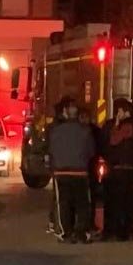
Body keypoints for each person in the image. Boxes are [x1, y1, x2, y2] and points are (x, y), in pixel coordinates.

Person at [47, 98, 97, 244]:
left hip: (61, 173)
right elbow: (91, 151)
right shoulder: (85, 131)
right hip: (80, 172)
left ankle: (65, 234)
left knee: (63, 204)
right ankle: (82, 233)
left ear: (64, 112)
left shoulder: (56, 131)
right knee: (82, 205)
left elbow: (51, 150)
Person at [101, 98, 133, 241]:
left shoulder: (128, 125)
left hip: (119, 168)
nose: (117, 113)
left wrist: (116, 124)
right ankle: (128, 231)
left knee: (115, 201)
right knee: (127, 202)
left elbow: (113, 140)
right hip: (129, 168)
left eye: (119, 111)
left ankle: (117, 231)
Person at [45, 97, 70, 235]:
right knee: (59, 197)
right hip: (61, 166)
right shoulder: (60, 127)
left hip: (58, 165)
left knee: (58, 195)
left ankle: (54, 222)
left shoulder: (53, 127)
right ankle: (56, 223)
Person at [79, 108, 103, 238]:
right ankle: (89, 224)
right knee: (90, 198)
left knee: (82, 198)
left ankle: (84, 225)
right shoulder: (94, 131)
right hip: (90, 167)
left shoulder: (80, 131)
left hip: (83, 168)